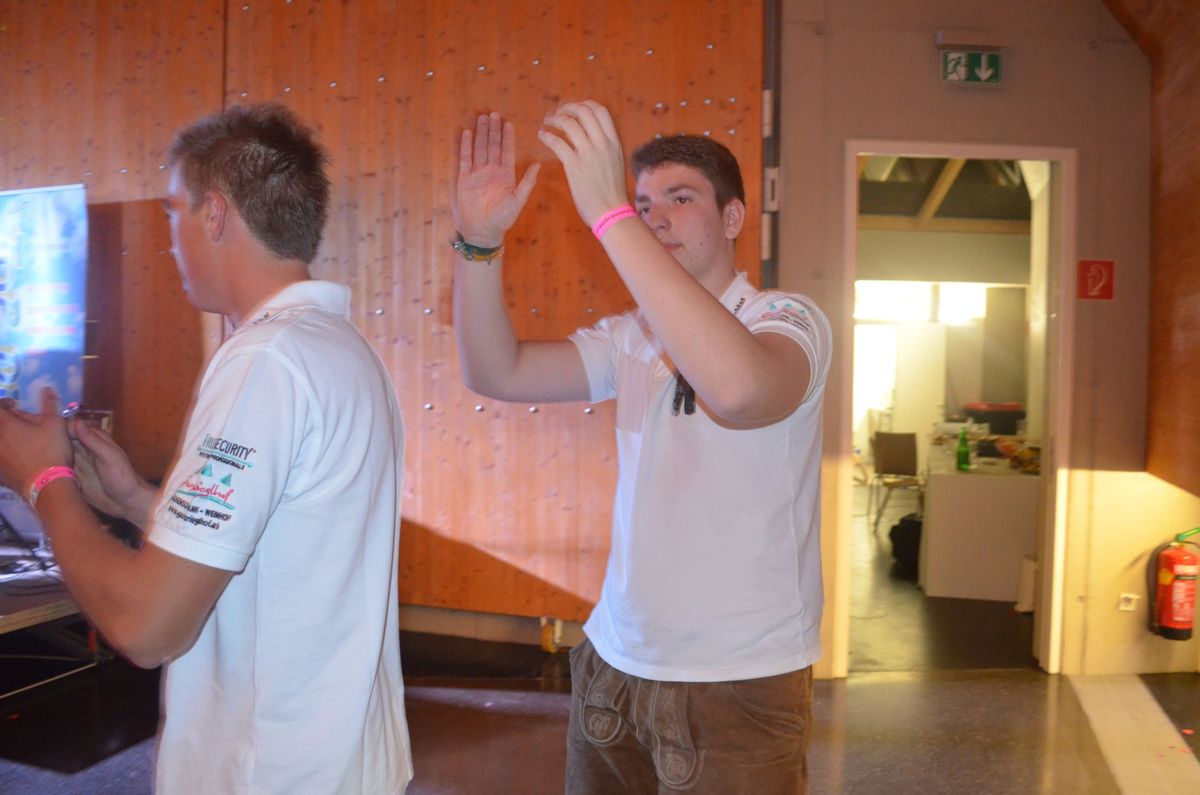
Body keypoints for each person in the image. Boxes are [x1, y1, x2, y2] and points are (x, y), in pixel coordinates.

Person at [0, 104, 412, 794]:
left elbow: (146, 626)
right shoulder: (339, 347)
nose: (172, 239)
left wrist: (42, 480)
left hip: (270, 773)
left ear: (215, 213)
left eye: (174, 212)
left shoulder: (266, 361)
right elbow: (274, 546)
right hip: (337, 761)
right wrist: (134, 500)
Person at [452, 101, 832, 793]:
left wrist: (610, 213)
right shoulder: (630, 336)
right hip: (614, 663)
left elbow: (739, 389)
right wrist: (478, 243)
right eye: (644, 203)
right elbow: (496, 371)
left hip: (738, 679)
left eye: (680, 199)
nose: (654, 217)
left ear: (733, 218)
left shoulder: (786, 318)